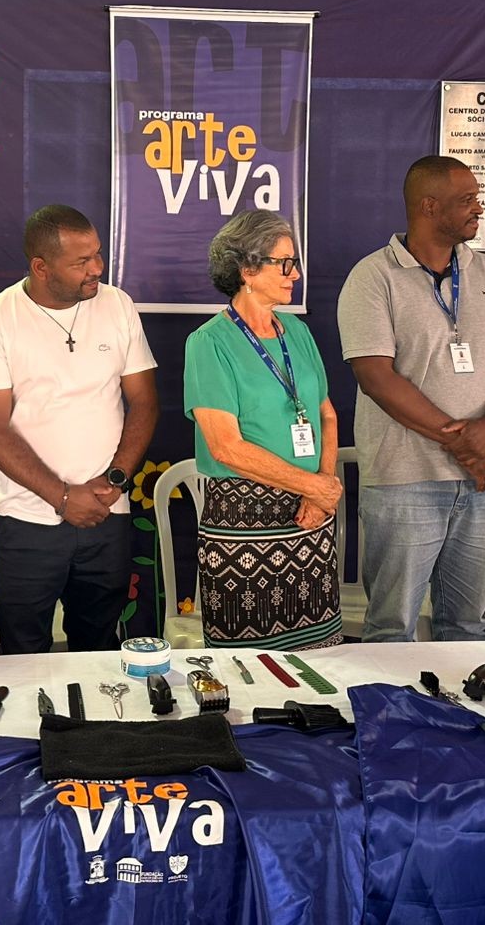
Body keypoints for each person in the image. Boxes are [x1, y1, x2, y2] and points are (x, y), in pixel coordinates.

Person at [338, 156, 485, 641]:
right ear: (428, 206)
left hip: (484, 477)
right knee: (391, 629)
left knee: (467, 628)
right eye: (467, 200)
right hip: (405, 480)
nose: (479, 208)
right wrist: (462, 442)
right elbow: (375, 377)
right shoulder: (373, 276)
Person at [0, 205, 159, 654]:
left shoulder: (117, 305)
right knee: (23, 652)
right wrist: (64, 498)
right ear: (41, 267)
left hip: (107, 513)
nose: (97, 268)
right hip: (27, 519)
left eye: (97, 254)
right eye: (81, 262)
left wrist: (115, 481)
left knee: (100, 650)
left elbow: (145, 401)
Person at [184, 209, 344, 650]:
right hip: (244, 525)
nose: (295, 274)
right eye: (284, 263)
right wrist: (315, 487)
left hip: (310, 518)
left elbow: (327, 415)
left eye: (295, 262)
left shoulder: (298, 332)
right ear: (247, 269)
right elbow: (226, 448)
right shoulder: (209, 342)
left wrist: (321, 487)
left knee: (320, 661)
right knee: (249, 669)